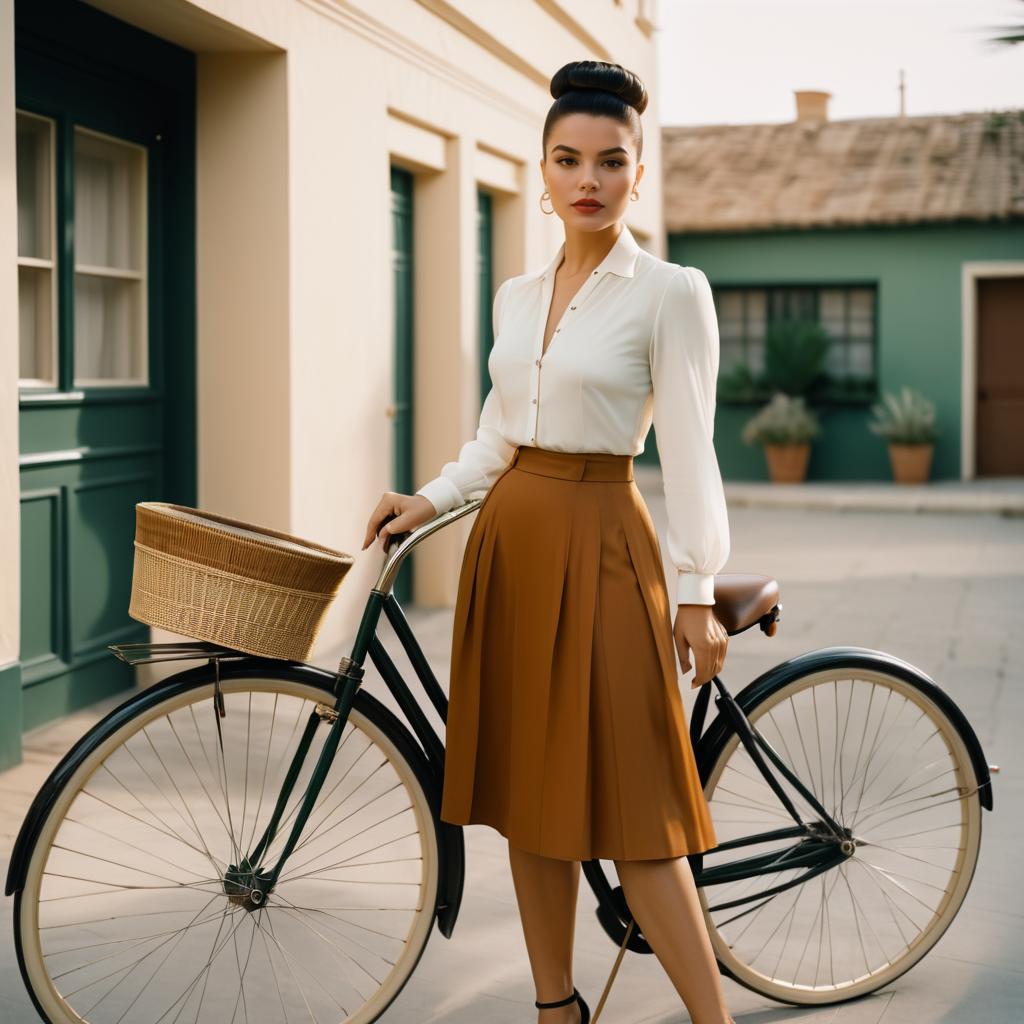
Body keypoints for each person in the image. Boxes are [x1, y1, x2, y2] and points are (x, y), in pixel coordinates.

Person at [363, 59, 735, 1024]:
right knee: (531, 802)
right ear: (541, 170)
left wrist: (696, 587)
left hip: (607, 548)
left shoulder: (669, 292)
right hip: (511, 551)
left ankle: (712, 1020)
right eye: (569, 160)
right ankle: (554, 1009)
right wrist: (429, 500)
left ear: (637, 176)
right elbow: (498, 435)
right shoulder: (517, 297)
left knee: (639, 820)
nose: (589, 180)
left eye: (611, 162)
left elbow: (692, 450)